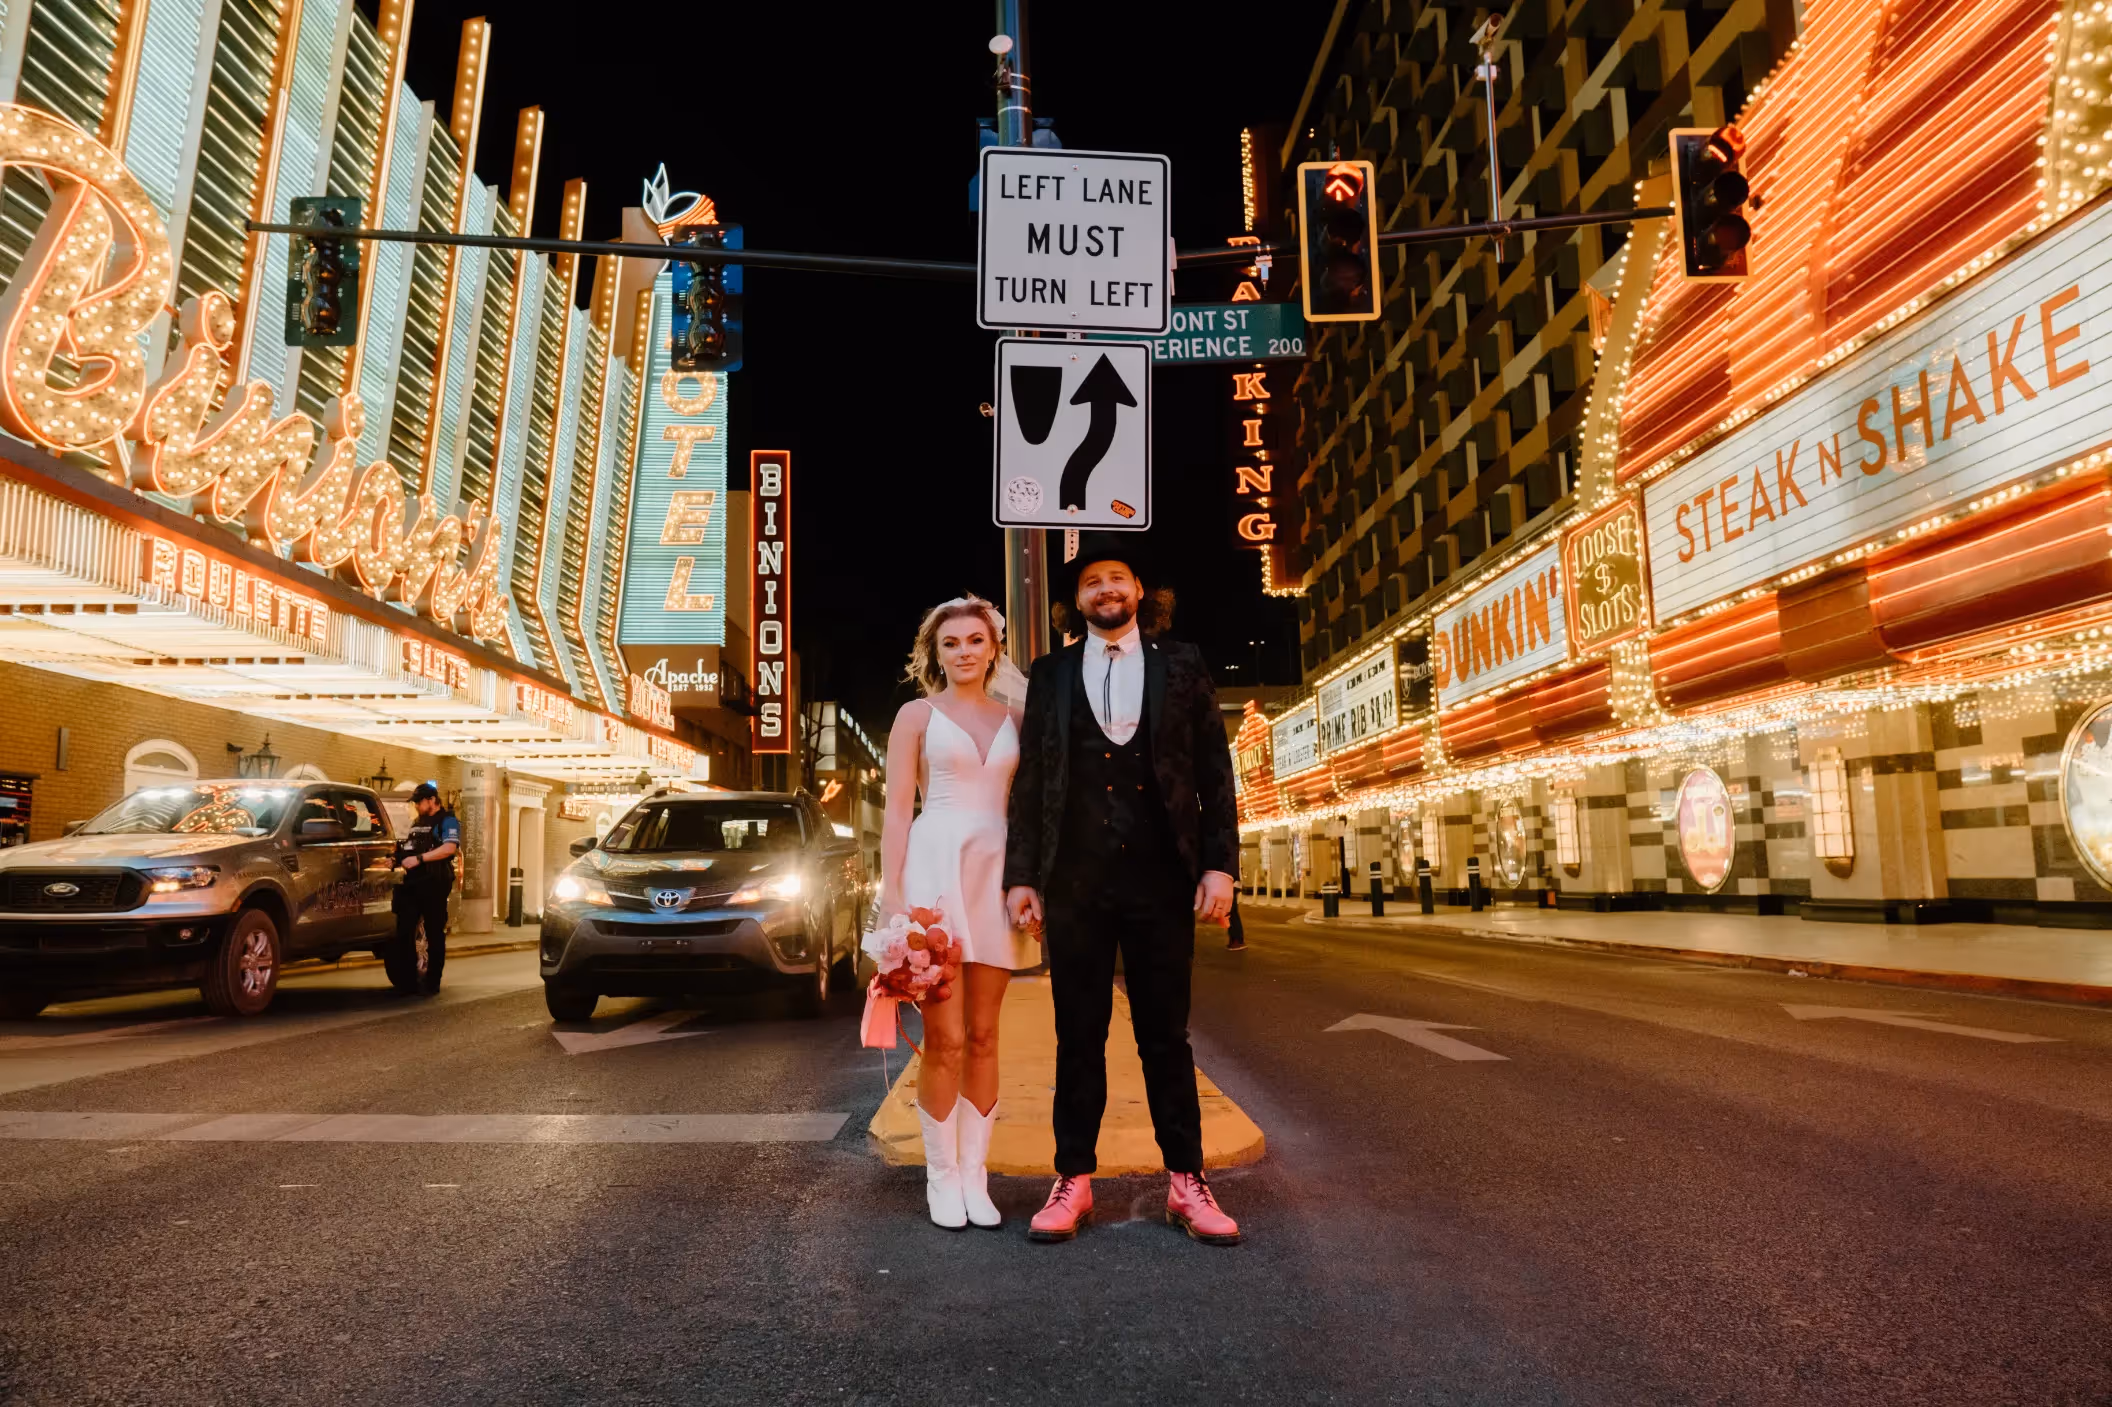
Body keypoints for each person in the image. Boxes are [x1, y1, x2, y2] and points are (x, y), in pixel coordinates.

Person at [1004, 535, 1244, 1246]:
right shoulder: (1048, 674)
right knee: (1077, 1035)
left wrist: (1219, 865)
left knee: (1165, 1036)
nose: (1105, 590)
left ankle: (1187, 1181)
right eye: (1092, 582)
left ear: (1140, 592)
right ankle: (1073, 1180)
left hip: (1161, 877)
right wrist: (1023, 875)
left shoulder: (1183, 664)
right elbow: (1034, 783)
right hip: (1074, 879)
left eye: (1118, 578)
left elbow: (1213, 772)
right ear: (1075, 601)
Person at [881, 595, 1035, 1230]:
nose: (964, 652)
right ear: (935, 653)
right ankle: (940, 1177)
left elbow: (1033, 806)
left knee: (985, 1034)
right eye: (951, 644)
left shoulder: (1019, 718)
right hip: (934, 873)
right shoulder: (915, 715)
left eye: (975, 641)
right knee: (942, 1038)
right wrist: (893, 898)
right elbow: (895, 812)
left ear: (994, 648)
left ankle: (976, 1174)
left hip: (997, 874)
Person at [391, 781, 459, 996]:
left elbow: (449, 848)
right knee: (405, 931)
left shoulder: (448, 821)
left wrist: (420, 859)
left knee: (434, 932)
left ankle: (432, 982)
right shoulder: (417, 823)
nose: (418, 807)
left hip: (435, 883)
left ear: (432, 800)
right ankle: (409, 981)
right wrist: (394, 859)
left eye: (420, 802)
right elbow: (409, 850)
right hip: (412, 884)